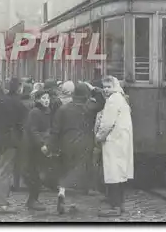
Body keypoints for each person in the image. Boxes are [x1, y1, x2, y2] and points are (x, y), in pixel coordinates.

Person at [44, 82, 102, 215]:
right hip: (84, 144)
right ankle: (73, 203)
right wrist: (94, 89)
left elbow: (55, 130)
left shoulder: (63, 109)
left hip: (66, 143)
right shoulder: (90, 108)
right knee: (78, 173)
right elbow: (102, 101)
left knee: (66, 170)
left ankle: (62, 192)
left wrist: (49, 145)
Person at [0, 77, 28, 214]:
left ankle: (2, 199)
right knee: (5, 171)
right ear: (19, 87)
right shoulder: (18, 104)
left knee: (2, 169)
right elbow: (22, 125)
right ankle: (1, 203)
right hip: (11, 140)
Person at [95, 76, 133, 217]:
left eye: (108, 87)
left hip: (113, 141)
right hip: (122, 141)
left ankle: (115, 206)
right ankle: (120, 204)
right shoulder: (121, 99)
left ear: (115, 87)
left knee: (113, 174)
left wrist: (99, 137)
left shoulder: (112, 101)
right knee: (120, 173)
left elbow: (106, 124)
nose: (106, 89)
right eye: (104, 87)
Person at [22, 89, 54, 211]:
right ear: (37, 100)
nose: (46, 101)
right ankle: (32, 200)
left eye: (48, 98)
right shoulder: (35, 112)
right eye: (43, 98)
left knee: (39, 174)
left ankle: (34, 199)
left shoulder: (47, 111)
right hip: (34, 147)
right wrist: (41, 144)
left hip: (42, 145)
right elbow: (33, 130)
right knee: (35, 174)